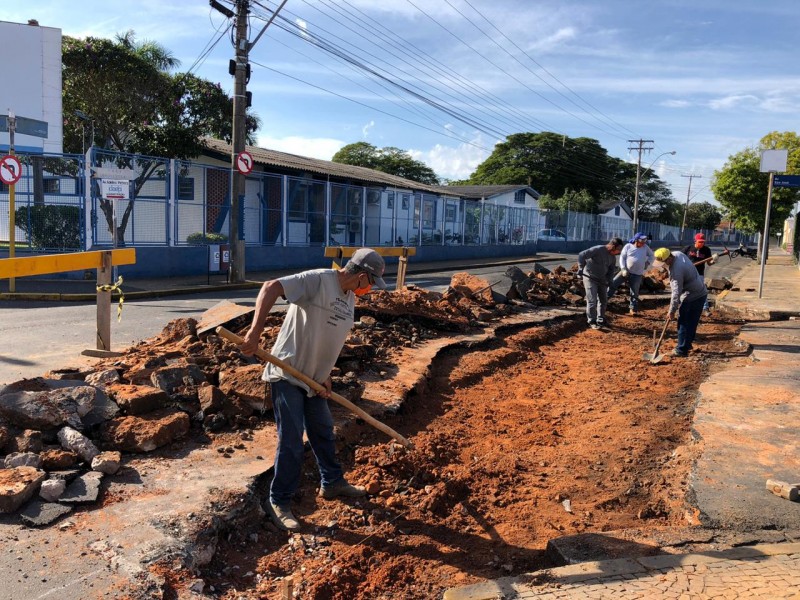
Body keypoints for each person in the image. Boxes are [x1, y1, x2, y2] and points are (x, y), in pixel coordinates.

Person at [240, 248, 387, 531]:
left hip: (314, 381)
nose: (370, 290)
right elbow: (271, 287)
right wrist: (255, 331)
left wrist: (326, 374)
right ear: (360, 275)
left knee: (323, 431)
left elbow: (328, 336)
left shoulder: (350, 299)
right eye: (370, 283)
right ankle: (279, 501)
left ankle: (332, 483)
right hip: (287, 374)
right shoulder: (319, 280)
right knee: (293, 441)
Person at [653, 247, 708, 357]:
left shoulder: (676, 272)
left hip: (692, 295)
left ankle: (681, 350)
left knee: (683, 322)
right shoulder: (677, 254)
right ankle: (687, 344)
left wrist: (672, 311)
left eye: (663, 263)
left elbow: (676, 294)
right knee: (692, 322)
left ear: (668, 259)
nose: (662, 266)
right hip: (701, 292)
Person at [577, 237, 624, 329]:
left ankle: (600, 319)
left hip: (602, 279)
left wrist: (610, 281)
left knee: (603, 300)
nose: (619, 252)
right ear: (612, 246)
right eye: (618, 249)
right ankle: (591, 321)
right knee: (592, 300)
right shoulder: (598, 249)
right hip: (590, 277)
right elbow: (582, 255)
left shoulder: (613, 257)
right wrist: (580, 267)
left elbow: (610, 270)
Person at [608, 232, 655, 315]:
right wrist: (623, 269)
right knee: (613, 284)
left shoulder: (645, 247)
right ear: (636, 240)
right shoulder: (628, 246)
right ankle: (603, 301)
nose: (644, 242)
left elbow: (652, 255)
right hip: (626, 271)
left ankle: (633, 309)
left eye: (644, 241)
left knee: (634, 292)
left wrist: (647, 263)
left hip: (637, 274)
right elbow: (622, 258)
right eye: (642, 240)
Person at [682, 233, 717, 313]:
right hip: (687, 273)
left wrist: (714, 260)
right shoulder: (688, 248)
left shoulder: (706, 250)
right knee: (684, 291)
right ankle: (681, 308)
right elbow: (679, 258)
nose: (702, 243)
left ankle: (705, 308)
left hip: (699, 274)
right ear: (695, 241)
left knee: (702, 291)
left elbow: (709, 263)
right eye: (700, 242)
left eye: (703, 242)